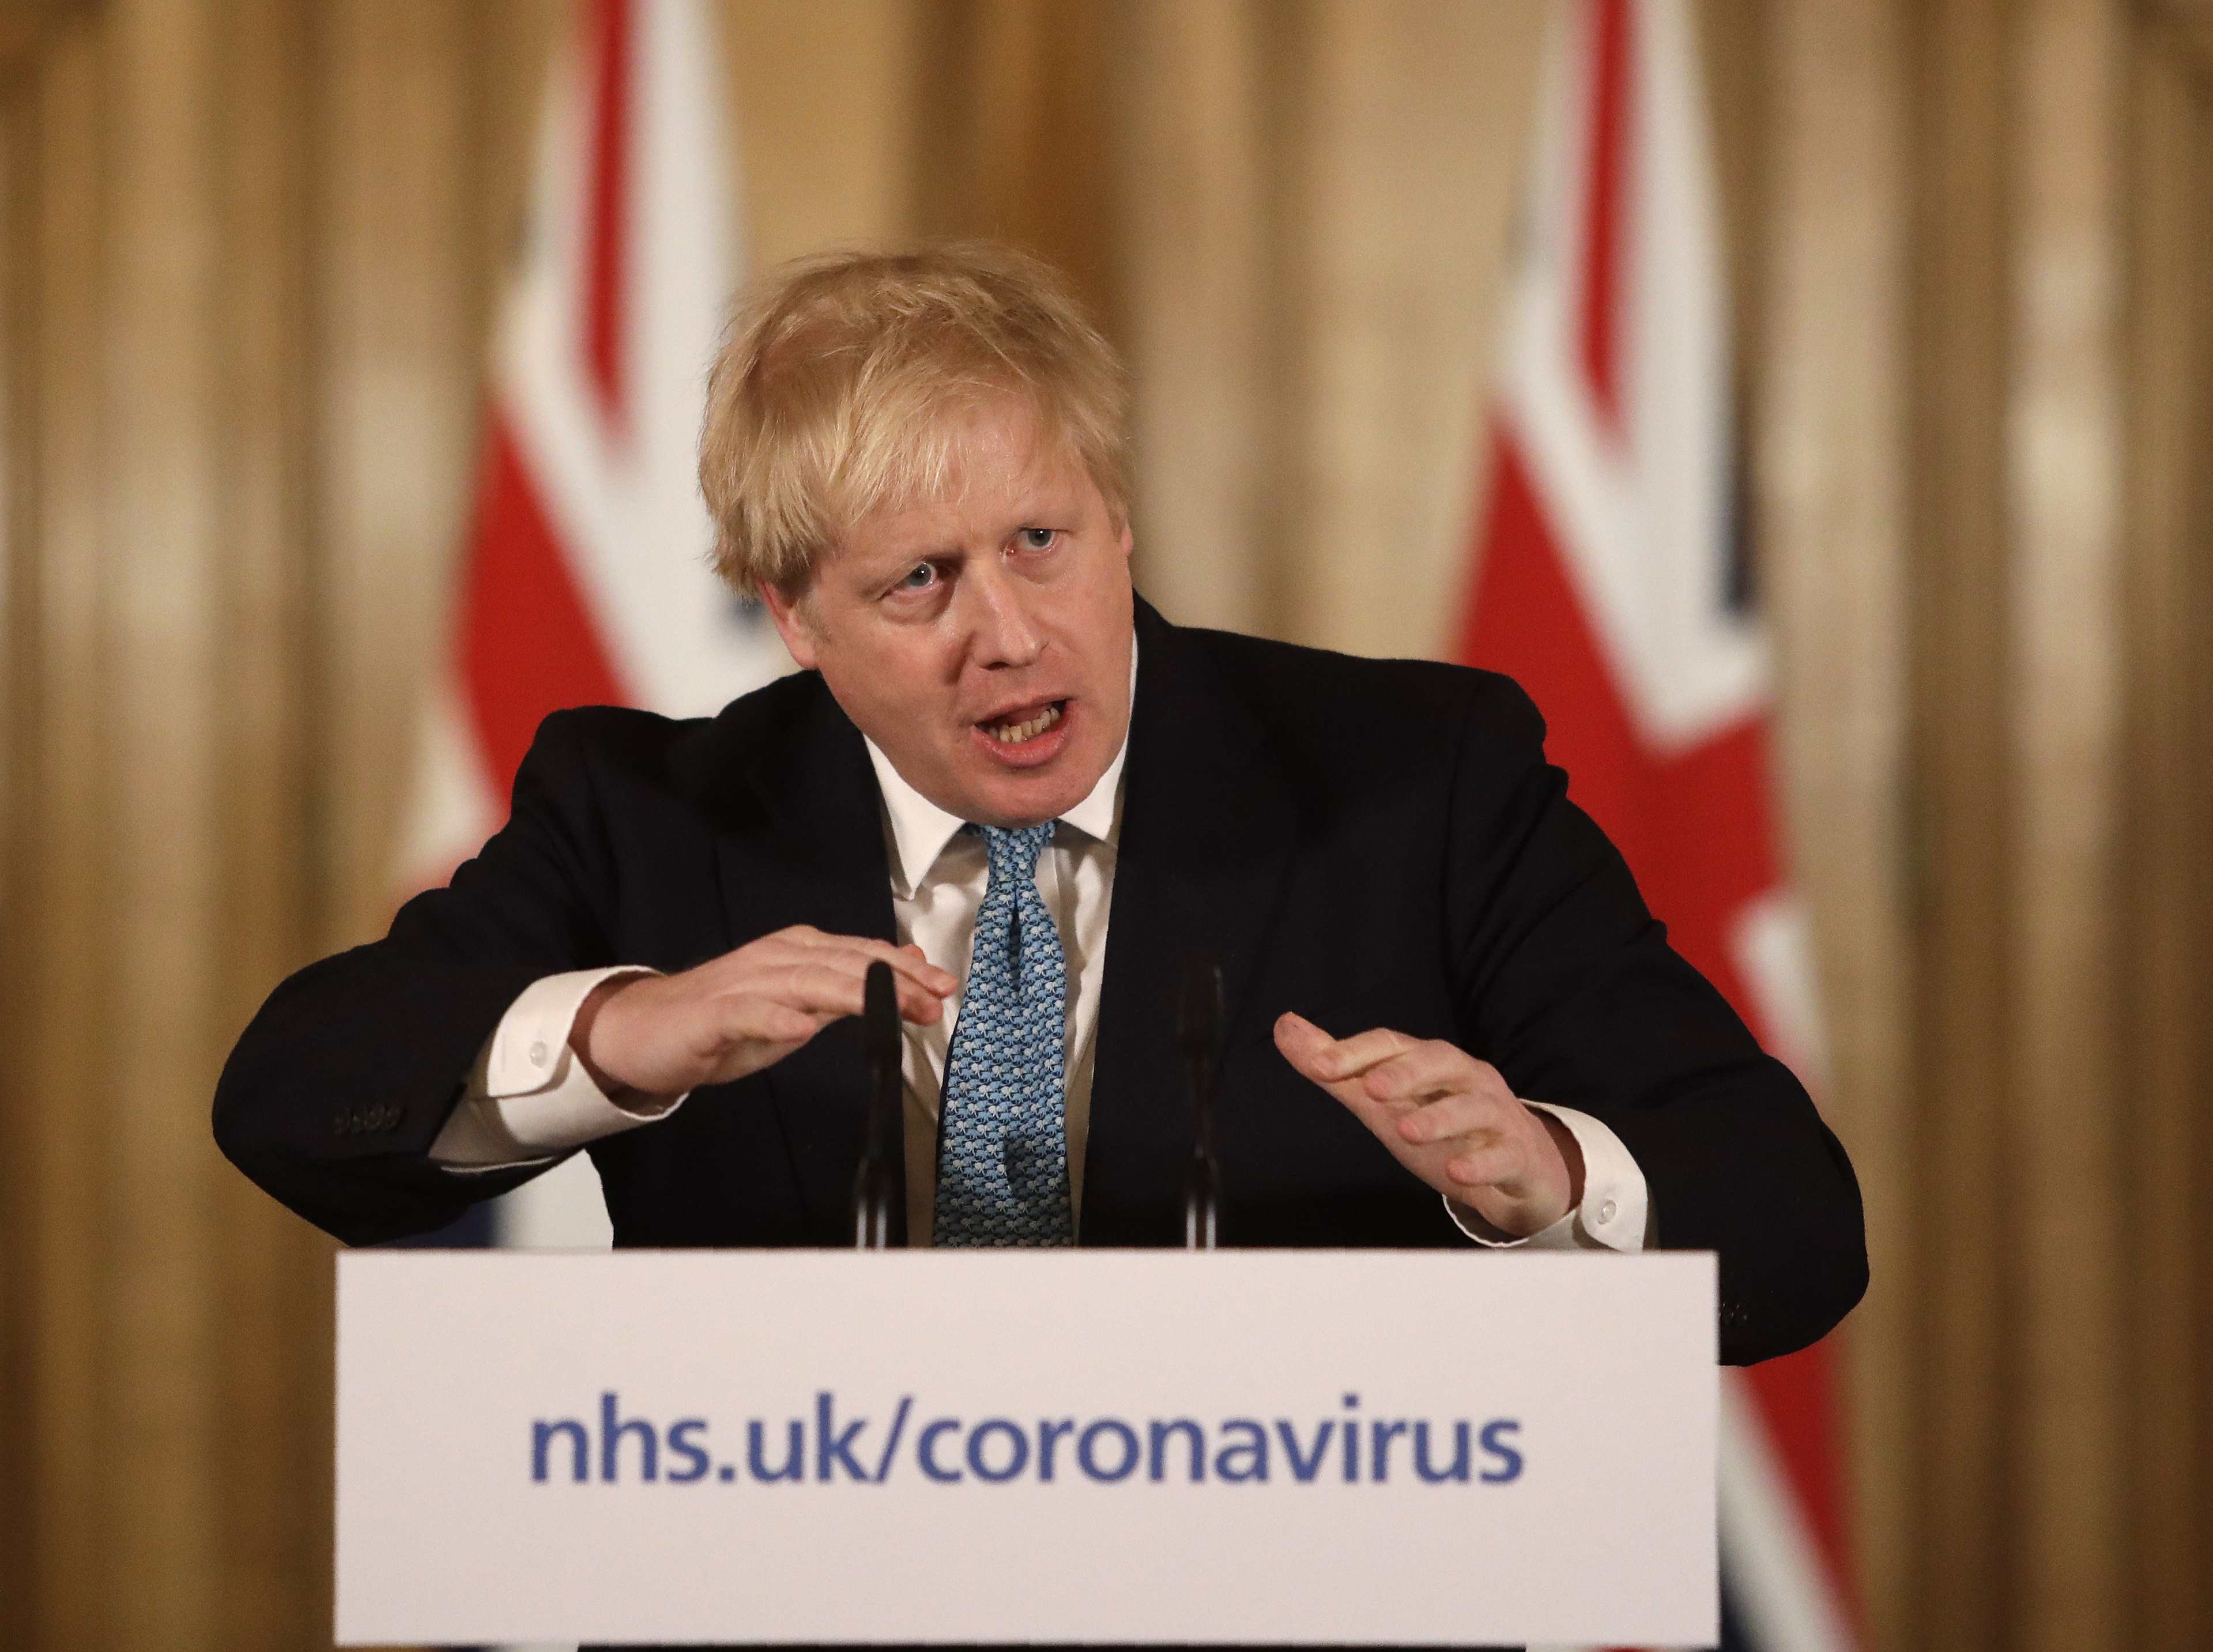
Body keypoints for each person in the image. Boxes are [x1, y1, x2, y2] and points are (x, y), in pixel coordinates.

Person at [214, 243, 1864, 1367]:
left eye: (1042, 541)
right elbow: (297, 1092)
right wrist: (613, 1038)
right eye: (920, 578)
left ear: (1121, 518)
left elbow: (1792, 1213)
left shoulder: (1418, 779)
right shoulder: (651, 811)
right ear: (798, 620)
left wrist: (1558, 1181)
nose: (1007, 631)